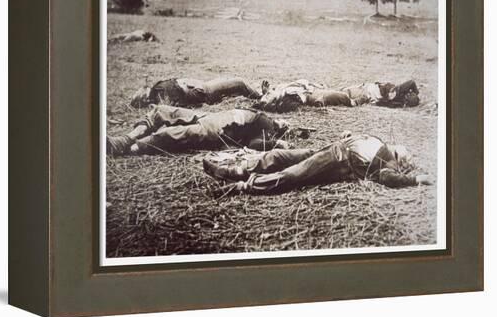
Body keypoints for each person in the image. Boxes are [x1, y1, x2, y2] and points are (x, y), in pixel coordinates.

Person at [203, 131, 433, 194]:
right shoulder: (380, 142)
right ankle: (233, 170)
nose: (405, 151)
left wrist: (414, 179)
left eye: (407, 156)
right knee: (279, 156)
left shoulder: (389, 163)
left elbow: (386, 178)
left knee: (292, 175)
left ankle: (242, 185)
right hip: (329, 149)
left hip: (336, 161)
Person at [106, 104, 290, 156]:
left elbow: (255, 144)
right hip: (208, 116)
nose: (284, 122)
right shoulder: (262, 114)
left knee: (170, 135)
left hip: (217, 130)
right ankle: (125, 139)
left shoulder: (268, 127)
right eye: (285, 121)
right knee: (161, 111)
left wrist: (277, 143)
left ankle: (130, 148)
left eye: (286, 125)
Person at [130, 77, 262, 108]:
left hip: (203, 87)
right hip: (205, 90)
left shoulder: (158, 90)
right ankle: (262, 96)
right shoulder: (159, 92)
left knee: (236, 86)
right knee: (239, 83)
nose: (145, 88)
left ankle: (257, 93)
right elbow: (176, 102)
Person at [253, 79, 355, 112]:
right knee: (343, 96)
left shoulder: (279, 89)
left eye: (267, 94)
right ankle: (359, 100)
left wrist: (266, 92)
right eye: (267, 96)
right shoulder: (285, 101)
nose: (268, 94)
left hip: (312, 88)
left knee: (345, 92)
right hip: (313, 95)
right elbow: (302, 105)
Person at [341, 80, 420, 107]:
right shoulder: (399, 91)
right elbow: (411, 82)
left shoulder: (398, 102)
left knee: (348, 94)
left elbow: (383, 103)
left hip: (371, 94)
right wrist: (416, 93)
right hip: (371, 90)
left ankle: (354, 101)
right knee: (347, 92)